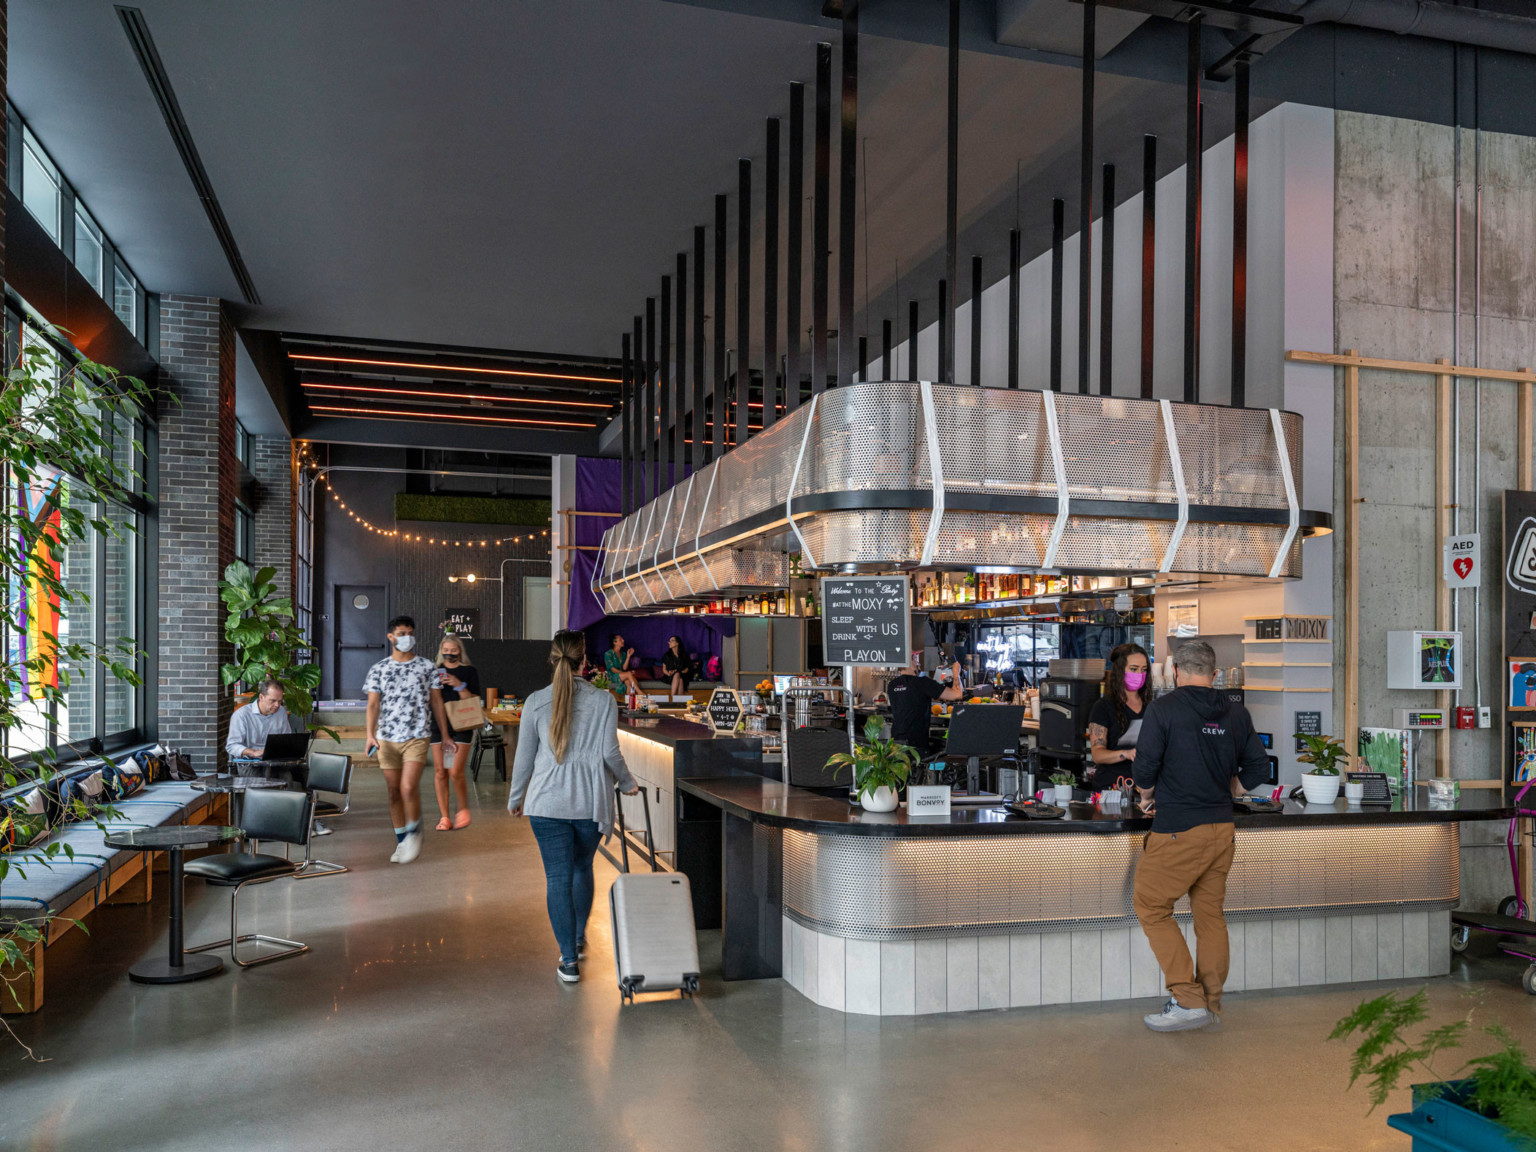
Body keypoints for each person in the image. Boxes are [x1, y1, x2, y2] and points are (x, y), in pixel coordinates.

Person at [1131, 640, 1268, 1033]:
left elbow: (1145, 768)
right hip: (1222, 830)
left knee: (1151, 906)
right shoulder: (1236, 712)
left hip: (1178, 830)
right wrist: (1233, 789)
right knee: (1209, 915)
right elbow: (1259, 768)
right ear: (1213, 674)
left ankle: (1188, 1000)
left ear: (1176, 672)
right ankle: (1210, 1002)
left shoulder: (1163, 709)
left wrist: (1145, 797)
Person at [509, 630, 639, 983]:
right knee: (582, 867)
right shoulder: (604, 701)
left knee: (557, 877)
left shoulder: (535, 701)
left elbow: (524, 757)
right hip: (589, 801)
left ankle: (568, 960)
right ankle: (579, 938)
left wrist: (515, 797)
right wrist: (627, 783)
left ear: (552, 660)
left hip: (546, 803)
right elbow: (611, 753)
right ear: (585, 662)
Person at [363, 615, 457, 865]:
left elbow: (437, 701)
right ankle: (402, 839)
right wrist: (370, 734)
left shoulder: (427, 667)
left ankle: (415, 832)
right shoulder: (379, 669)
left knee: (407, 787)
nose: (407, 638)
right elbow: (373, 704)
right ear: (390, 637)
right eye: (401, 633)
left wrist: (445, 734)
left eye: (410, 632)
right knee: (394, 792)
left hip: (417, 735)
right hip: (386, 738)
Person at [430, 634, 482, 832]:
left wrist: (457, 684)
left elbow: (473, 700)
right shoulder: (434, 672)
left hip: (463, 723)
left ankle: (462, 809)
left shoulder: (469, 671)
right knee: (440, 771)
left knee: (455, 771)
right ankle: (444, 817)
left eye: (454, 650)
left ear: (460, 651)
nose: (450, 654)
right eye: (446, 650)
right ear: (441, 652)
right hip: (438, 725)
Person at [1086, 643, 1152, 790]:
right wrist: (1127, 754)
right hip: (1111, 788)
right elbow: (1097, 754)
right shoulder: (1103, 707)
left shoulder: (1151, 706)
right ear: (1120, 670)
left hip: (1143, 787)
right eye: (1133, 669)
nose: (1139, 674)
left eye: (1144, 670)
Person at [886, 651, 963, 758]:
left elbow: (914, 697)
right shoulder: (923, 683)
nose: (919, 664)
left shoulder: (892, 685)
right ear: (909, 662)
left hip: (896, 745)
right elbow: (957, 694)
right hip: (916, 747)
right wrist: (956, 673)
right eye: (916, 659)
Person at [225, 679, 295, 767]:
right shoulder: (242, 715)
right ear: (261, 697)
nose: (277, 705)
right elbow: (232, 746)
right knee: (268, 779)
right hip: (249, 764)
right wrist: (254, 753)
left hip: (275, 762)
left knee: (290, 777)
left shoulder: (281, 712)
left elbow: (286, 739)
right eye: (273, 701)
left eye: (280, 701)